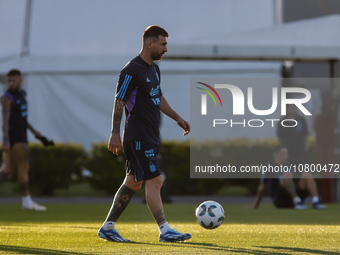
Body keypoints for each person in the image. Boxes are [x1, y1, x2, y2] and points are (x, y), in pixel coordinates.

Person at [97, 25, 191, 243]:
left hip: (149, 135)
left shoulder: (154, 69)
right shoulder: (131, 70)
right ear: (150, 44)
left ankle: (108, 227)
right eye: (163, 44)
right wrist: (114, 133)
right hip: (137, 135)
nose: (166, 49)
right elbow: (119, 101)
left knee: (133, 183)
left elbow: (159, 97)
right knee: (155, 180)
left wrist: (177, 117)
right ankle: (165, 230)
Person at [0, 69, 46, 211]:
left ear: (20, 80)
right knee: (23, 167)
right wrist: (6, 139)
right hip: (16, 137)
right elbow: (5, 120)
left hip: (21, 134)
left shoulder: (22, 94)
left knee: (6, 169)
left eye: (14, 80)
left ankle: (27, 201)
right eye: (9, 81)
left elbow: (21, 118)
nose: (11, 83)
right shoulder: (7, 97)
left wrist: (33, 131)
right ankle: (27, 202)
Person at [252, 146, 325, 209]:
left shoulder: (289, 165)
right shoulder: (268, 166)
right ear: (275, 154)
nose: (286, 156)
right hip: (280, 199)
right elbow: (262, 186)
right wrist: (255, 205)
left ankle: (316, 201)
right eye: (283, 153)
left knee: (306, 174)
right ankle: (297, 201)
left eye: (287, 153)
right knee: (287, 175)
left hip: (292, 195)